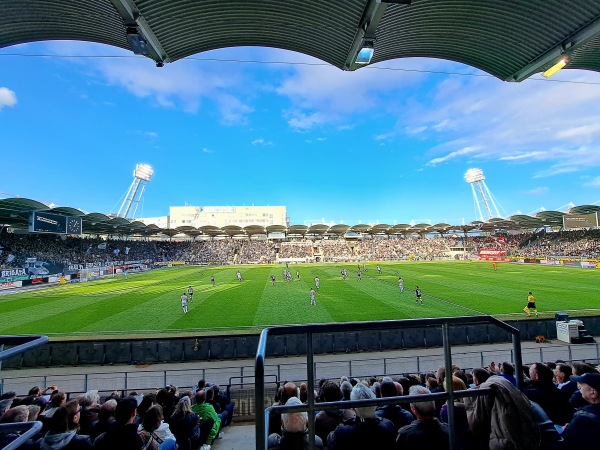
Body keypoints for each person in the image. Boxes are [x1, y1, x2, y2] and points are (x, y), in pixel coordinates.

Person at [561, 373, 600, 450]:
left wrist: (569, 429)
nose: (579, 387)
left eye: (582, 385)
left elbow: (565, 443)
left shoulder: (584, 418)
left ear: (593, 392)